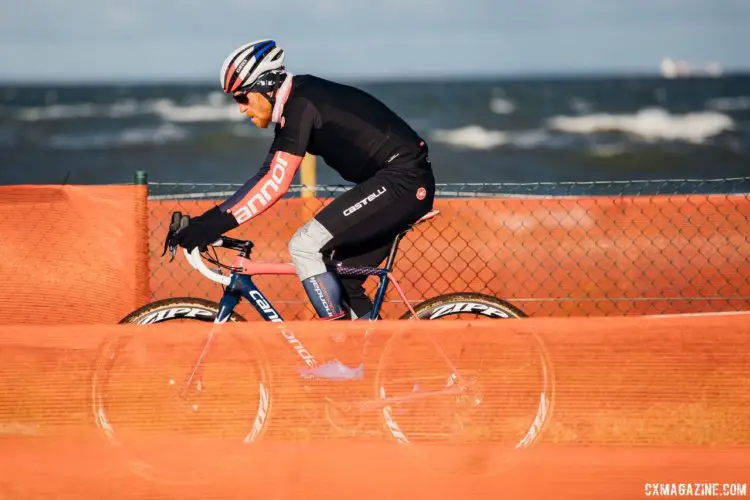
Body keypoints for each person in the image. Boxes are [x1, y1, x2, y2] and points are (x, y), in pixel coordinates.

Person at [172, 38, 435, 321]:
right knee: (341, 279)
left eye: (242, 97)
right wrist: (208, 221)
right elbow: (266, 174)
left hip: (403, 181)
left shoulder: (301, 104)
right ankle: (370, 355)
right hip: (398, 181)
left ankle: (333, 338)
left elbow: (276, 183)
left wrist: (211, 225)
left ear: (265, 87)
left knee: (305, 245)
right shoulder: (296, 103)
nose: (241, 108)